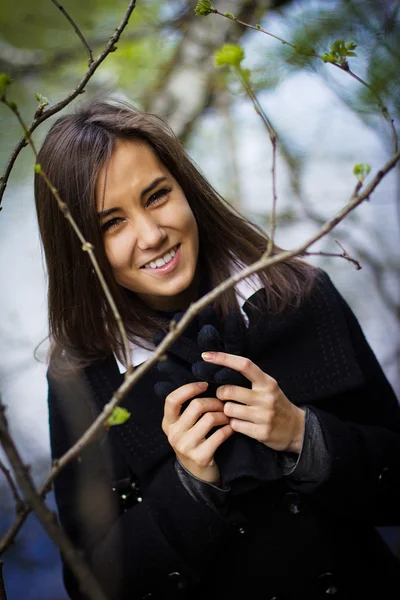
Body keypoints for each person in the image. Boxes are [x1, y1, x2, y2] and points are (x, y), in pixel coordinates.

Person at [34, 98, 400, 600]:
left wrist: (302, 435)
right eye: (111, 223)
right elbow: (90, 585)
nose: (151, 234)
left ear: (187, 187)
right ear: (78, 250)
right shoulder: (83, 379)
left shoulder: (303, 294)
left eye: (157, 195)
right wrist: (190, 486)